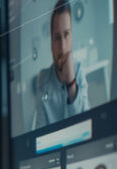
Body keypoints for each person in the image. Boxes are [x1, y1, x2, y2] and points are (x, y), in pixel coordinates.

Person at [33, 0, 90, 130]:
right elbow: (39, 131)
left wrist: (71, 84)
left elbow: (86, 126)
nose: (63, 47)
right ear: (51, 43)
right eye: (57, 38)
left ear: (71, 37)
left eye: (66, 35)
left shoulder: (79, 71)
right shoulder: (43, 79)